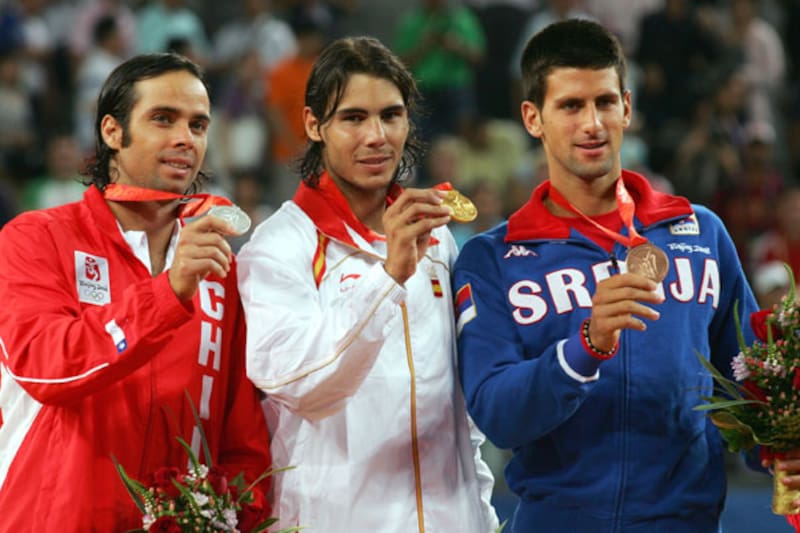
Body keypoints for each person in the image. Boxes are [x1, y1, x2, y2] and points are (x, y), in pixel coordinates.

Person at [453, 19, 759, 532]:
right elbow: (498, 415)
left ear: (628, 108)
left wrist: (779, 447)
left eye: (605, 102)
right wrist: (585, 346)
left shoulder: (700, 234)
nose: (592, 123)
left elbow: (750, 382)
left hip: (686, 522)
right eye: (570, 106)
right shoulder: (493, 259)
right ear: (533, 118)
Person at [0, 53, 272, 531]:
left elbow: (241, 431)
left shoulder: (216, 266)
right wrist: (168, 293)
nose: (184, 138)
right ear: (112, 132)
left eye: (198, 124)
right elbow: (44, 367)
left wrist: (238, 516)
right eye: (162, 119)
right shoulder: (36, 238)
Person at [237, 36, 499, 532]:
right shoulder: (277, 248)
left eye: (391, 115)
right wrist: (388, 277)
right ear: (314, 124)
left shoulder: (437, 237)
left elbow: (457, 408)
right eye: (353, 118)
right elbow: (299, 383)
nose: (377, 136)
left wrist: (480, 516)